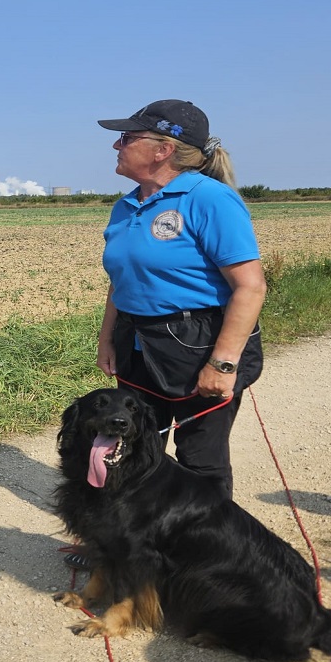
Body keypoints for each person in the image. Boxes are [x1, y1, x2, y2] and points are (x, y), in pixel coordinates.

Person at [95, 99, 267, 499]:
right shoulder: (125, 206)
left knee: (199, 462)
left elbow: (250, 286)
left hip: (197, 347)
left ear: (163, 149)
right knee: (135, 452)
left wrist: (223, 364)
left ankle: (202, 555)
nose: (116, 145)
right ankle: (136, 548)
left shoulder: (208, 198)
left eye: (127, 137)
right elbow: (121, 280)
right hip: (136, 347)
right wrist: (107, 339)